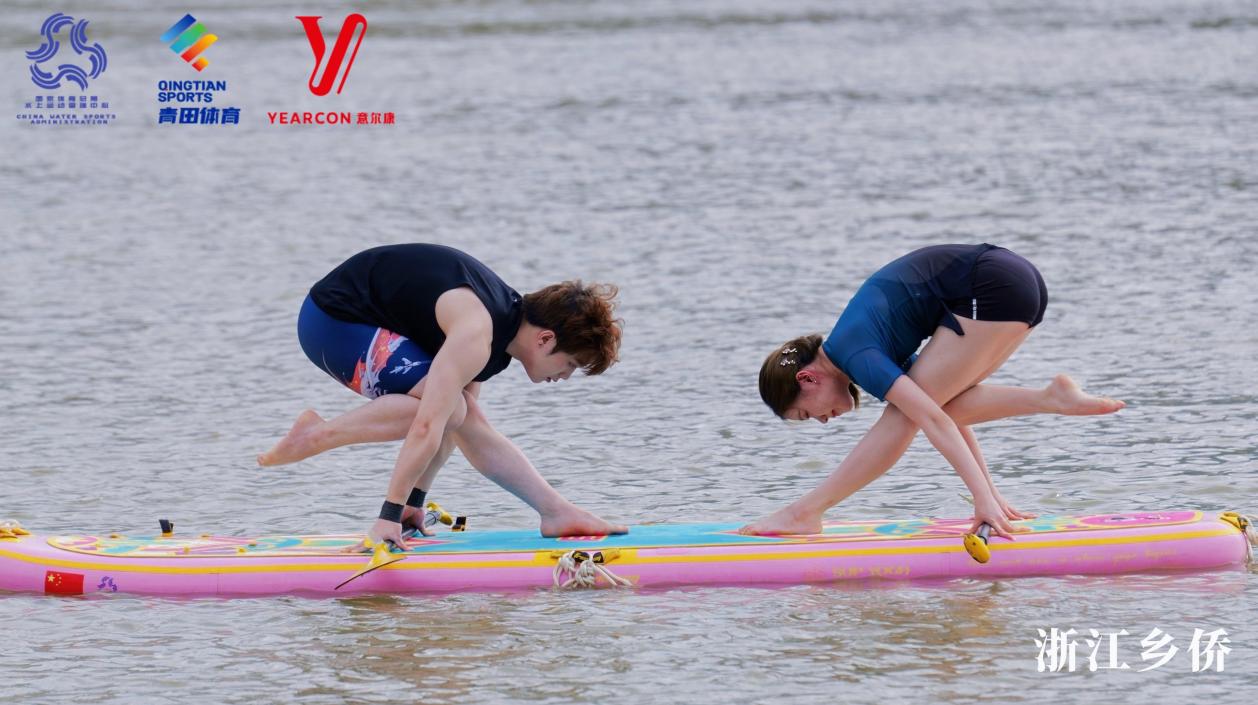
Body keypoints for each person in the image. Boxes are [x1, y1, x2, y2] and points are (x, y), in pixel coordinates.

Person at [259, 243, 629, 547]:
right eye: (570, 364)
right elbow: (427, 426)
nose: (564, 377)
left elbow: (457, 431)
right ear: (545, 339)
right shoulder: (477, 333)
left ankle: (555, 511)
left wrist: (413, 503)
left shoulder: (500, 335)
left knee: (459, 413)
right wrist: (388, 516)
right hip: (331, 321)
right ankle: (314, 435)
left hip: (370, 319)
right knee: (449, 410)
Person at [744, 243, 1125, 538]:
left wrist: (981, 500)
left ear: (807, 379)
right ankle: (1051, 399)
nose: (822, 421)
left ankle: (804, 512)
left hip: (991, 284)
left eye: (806, 413)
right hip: (1019, 283)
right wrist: (991, 496)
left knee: (904, 415)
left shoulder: (853, 351)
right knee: (933, 404)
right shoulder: (859, 342)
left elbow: (931, 420)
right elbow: (943, 413)